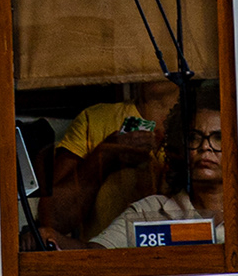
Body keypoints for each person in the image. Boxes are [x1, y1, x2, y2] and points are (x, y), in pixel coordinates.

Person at [48, 74, 180, 238]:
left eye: (165, 53)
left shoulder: (205, 127)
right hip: (108, 258)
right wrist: (105, 155)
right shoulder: (95, 120)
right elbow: (53, 220)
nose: (154, 61)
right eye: (145, 52)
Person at [90, 106, 227, 248]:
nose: (205, 146)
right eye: (193, 137)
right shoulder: (150, 210)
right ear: (179, 149)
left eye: (219, 138)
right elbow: (96, 254)